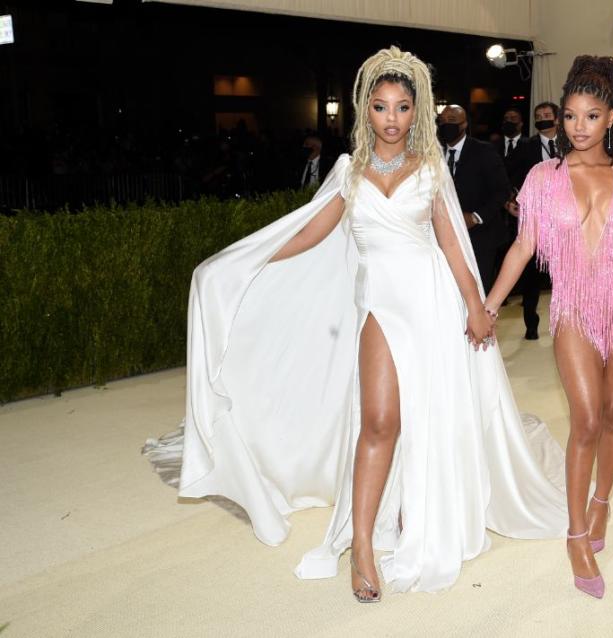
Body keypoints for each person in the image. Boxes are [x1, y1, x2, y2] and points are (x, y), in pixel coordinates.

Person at [158, 46, 569, 601]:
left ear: (416, 112)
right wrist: (249, 263)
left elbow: (451, 244)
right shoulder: (348, 172)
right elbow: (311, 233)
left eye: (402, 107)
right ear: (365, 111)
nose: (392, 118)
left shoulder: (429, 169)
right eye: (381, 107)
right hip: (380, 305)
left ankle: (411, 512)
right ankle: (364, 550)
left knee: (428, 416)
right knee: (378, 421)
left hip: (433, 303)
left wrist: (475, 304)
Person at [485, 55, 613, 599]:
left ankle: (602, 502)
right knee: (585, 418)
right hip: (574, 310)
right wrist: (490, 305)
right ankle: (575, 533)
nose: (578, 126)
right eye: (569, 116)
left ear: (612, 118)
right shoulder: (543, 176)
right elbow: (524, 246)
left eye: (591, 115)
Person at [438, 104, 512, 293]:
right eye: (442, 122)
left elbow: (502, 191)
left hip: (481, 235)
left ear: (464, 125)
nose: (446, 126)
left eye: (452, 122)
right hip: (445, 235)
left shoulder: (484, 151)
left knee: (478, 292)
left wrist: (476, 217)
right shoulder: (434, 154)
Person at [502, 101, 560, 339]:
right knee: (531, 275)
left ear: (557, 119)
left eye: (547, 115)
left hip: (565, 218)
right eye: (538, 115)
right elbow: (506, 175)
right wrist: (509, 200)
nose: (542, 118)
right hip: (534, 216)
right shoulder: (525, 146)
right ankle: (531, 324)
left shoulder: (571, 144)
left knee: (563, 273)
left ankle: (566, 322)